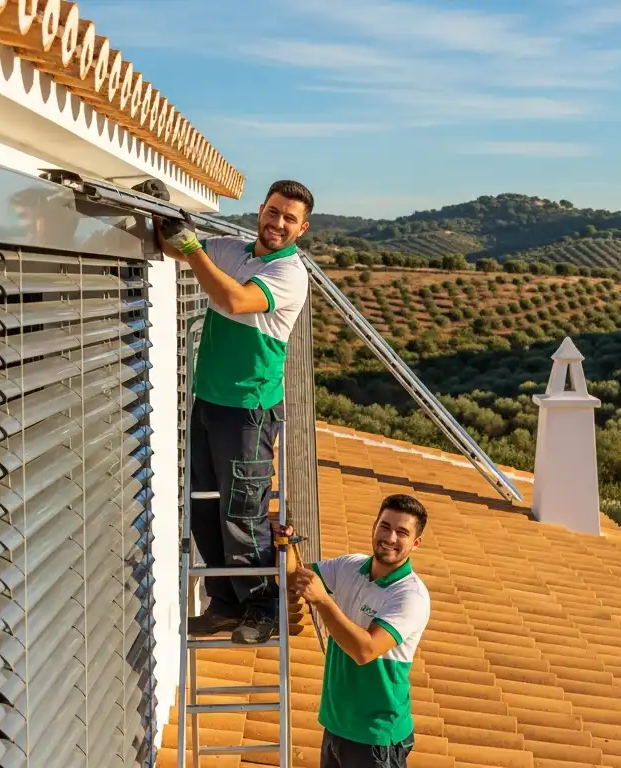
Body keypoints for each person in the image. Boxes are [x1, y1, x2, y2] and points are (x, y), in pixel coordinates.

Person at [156, 179, 314, 644]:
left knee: (242, 513)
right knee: (204, 510)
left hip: (249, 410)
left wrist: (188, 244)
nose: (278, 223)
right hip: (209, 400)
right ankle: (224, 603)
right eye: (273, 211)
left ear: (301, 229)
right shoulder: (229, 249)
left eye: (289, 218)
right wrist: (160, 217)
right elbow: (170, 248)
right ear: (260, 210)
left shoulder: (290, 274)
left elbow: (233, 300)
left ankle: (263, 607)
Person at [287, 494, 432, 768]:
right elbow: (295, 577)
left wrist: (323, 600)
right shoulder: (350, 567)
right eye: (385, 526)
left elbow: (364, 650)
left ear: (416, 543)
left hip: (376, 738)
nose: (390, 537)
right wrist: (283, 545)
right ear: (374, 526)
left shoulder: (411, 596)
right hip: (336, 724)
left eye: (402, 532)